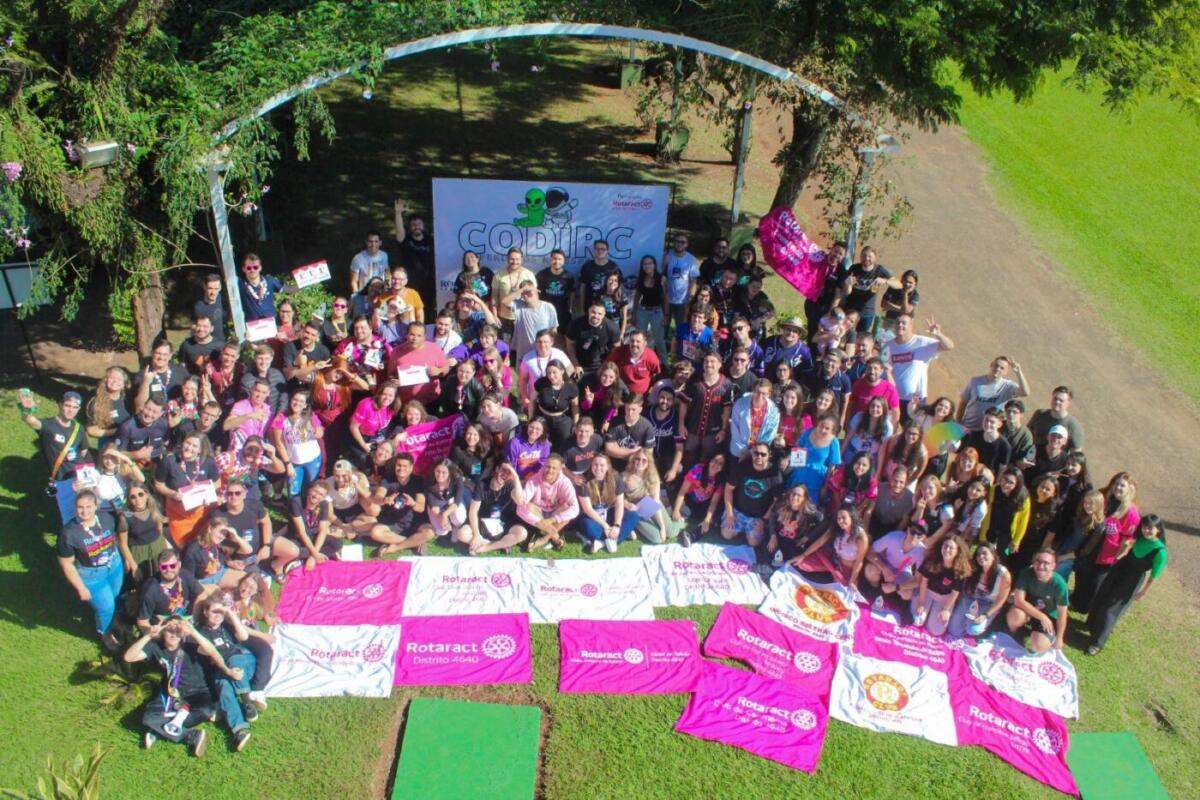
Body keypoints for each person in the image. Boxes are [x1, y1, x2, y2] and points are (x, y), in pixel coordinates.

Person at [124, 617, 227, 756]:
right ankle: (191, 735)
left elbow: (212, 651)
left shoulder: (190, 644)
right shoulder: (155, 646)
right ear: (163, 632)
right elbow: (129, 657)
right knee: (148, 719)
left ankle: (158, 731)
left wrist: (193, 632)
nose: (174, 634)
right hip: (171, 693)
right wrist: (148, 635)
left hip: (198, 692)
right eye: (169, 630)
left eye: (178, 631)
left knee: (206, 711)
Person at [1085, 514, 1167, 655]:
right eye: (1144, 527)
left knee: (1111, 608)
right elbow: (1128, 544)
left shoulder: (1160, 552)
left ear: (1158, 529)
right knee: (1102, 595)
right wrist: (1118, 556)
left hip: (1132, 580)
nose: (1146, 531)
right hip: (1120, 569)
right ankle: (1092, 625)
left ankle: (1097, 644)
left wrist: (1143, 592)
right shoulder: (1140, 537)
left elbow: (1154, 576)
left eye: (1150, 528)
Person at [57, 490, 126, 650]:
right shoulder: (69, 533)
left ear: (96, 506)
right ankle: (105, 633)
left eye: (88, 506)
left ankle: (115, 620)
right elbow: (67, 564)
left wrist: (126, 556)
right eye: (80, 507)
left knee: (115, 597)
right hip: (92, 576)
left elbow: (122, 531)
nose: (84, 511)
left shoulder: (107, 518)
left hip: (114, 565)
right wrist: (81, 588)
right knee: (106, 607)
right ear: (75, 508)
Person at [190, 597, 263, 749]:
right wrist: (228, 672)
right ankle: (239, 731)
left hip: (243, 662)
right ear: (205, 612)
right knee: (223, 686)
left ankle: (246, 701)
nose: (218, 615)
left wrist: (230, 613)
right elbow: (205, 651)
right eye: (214, 611)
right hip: (221, 669)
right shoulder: (199, 632)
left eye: (221, 612)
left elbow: (243, 636)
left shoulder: (227, 626)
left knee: (233, 660)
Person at [20, 389, 93, 522]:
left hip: (80, 476)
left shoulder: (79, 428)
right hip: (62, 478)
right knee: (69, 514)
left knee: (88, 511)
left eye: (75, 407)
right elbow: (30, 420)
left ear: (78, 409)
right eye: (67, 405)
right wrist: (26, 410)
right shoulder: (49, 426)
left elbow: (83, 450)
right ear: (60, 405)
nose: (71, 410)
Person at [1071, 471, 1140, 613]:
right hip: (1090, 545)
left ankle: (1086, 607)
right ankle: (1076, 601)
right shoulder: (1104, 499)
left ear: (1129, 489)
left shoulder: (1131, 513)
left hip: (1107, 554)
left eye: (1122, 485)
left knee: (1095, 582)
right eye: (1116, 484)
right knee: (1082, 573)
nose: (1118, 487)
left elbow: (1128, 539)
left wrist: (1118, 556)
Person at [154, 432, 220, 547]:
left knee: (205, 544)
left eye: (194, 446)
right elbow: (158, 484)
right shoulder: (170, 461)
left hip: (202, 512)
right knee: (184, 546)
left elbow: (217, 483)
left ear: (200, 450)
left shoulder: (208, 462)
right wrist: (172, 494)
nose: (189, 448)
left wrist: (207, 494)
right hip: (179, 514)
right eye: (188, 443)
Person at [881, 314, 954, 414]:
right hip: (892, 397)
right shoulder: (888, 345)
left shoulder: (922, 342)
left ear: (911, 326)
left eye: (904, 323)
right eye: (898, 322)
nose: (900, 325)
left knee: (912, 424)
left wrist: (938, 334)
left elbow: (949, 346)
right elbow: (883, 370)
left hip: (915, 400)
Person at [367, 454, 433, 556]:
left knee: (429, 532)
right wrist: (384, 500)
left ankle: (397, 547)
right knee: (375, 532)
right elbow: (377, 497)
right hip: (394, 521)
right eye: (399, 465)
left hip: (415, 521)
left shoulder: (418, 480)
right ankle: (414, 542)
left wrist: (413, 503)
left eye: (405, 466)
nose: (401, 468)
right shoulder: (388, 479)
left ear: (411, 468)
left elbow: (420, 507)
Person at [1006, 549, 1069, 653]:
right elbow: (1019, 601)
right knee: (1015, 616)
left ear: (1053, 566)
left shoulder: (1060, 584)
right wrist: (1041, 616)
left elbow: (1062, 614)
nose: (1040, 566)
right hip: (1028, 611)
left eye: (1046, 563)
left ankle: (1039, 635)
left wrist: (1059, 638)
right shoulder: (1026, 573)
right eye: (1038, 561)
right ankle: (1013, 634)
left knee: (1039, 646)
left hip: (1048, 617)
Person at [721, 443, 782, 547]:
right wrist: (730, 513)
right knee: (726, 534)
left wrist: (763, 520)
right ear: (752, 453)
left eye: (763, 454)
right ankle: (742, 530)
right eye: (756, 453)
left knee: (754, 543)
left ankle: (746, 532)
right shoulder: (741, 467)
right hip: (738, 510)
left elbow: (776, 501)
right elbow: (728, 489)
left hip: (758, 516)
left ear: (769, 455)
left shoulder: (775, 474)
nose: (759, 457)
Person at [136, 550, 213, 632]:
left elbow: (202, 594)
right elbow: (142, 621)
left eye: (172, 566)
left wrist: (193, 619)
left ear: (179, 565)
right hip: (166, 630)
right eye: (164, 567)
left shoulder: (184, 574)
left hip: (188, 623)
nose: (168, 570)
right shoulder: (150, 589)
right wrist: (155, 633)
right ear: (159, 567)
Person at [577, 454, 639, 554]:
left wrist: (617, 525)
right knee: (586, 525)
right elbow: (588, 510)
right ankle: (623, 534)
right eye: (595, 464)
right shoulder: (583, 480)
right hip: (593, 517)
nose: (598, 468)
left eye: (602, 465)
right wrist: (605, 526)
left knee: (633, 516)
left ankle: (601, 543)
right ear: (591, 465)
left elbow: (619, 503)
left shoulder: (615, 478)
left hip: (608, 512)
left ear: (607, 467)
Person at [275, 480, 342, 574]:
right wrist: (315, 554)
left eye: (321, 494)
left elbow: (322, 530)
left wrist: (313, 557)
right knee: (295, 550)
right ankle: (315, 555)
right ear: (309, 490)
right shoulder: (296, 502)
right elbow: (301, 532)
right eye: (315, 491)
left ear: (324, 497)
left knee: (337, 543)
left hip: (313, 534)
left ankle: (304, 559)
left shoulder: (324, 504)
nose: (316, 496)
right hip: (297, 536)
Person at [948, 541, 1012, 638]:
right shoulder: (974, 568)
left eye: (985, 553)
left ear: (993, 556)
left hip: (988, 604)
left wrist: (985, 615)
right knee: (953, 631)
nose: (981, 556)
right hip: (969, 599)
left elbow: (1001, 600)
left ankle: (977, 627)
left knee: (973, 630)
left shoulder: (1003, 575)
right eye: (978, 554)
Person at [910, 536, 972, 635]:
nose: (947, 550)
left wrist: (946, 609)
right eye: (945, 546)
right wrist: (921, 602)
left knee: (936, 630)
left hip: (944, 598)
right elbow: (924, 582)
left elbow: (955, 592)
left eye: (951, 548)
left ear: (957, 551)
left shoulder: (960, 570)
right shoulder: (932, 560)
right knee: (916, 620)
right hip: (927, 593)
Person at [793, 506, 869, 587]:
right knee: (803, 564)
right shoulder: (837, 527)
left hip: (846, 569)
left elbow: (859, 562)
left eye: (844, 517)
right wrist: (803, 555)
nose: (840, 521)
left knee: (844, 586)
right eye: (838, 518)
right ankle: (832, 572)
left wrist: (852, 580)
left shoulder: (861, 537)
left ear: (852, 517)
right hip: (833, 559)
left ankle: (834, 574)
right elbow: (821, 541)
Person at [517, 454, 580, 551]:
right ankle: (555, 536)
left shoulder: (565, 482)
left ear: (560, 470)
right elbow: (520, 507)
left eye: (554, 468)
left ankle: (544, 539)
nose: (550, 470)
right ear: (544, 466)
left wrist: (551, 520)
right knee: (527, 506)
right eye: (548, 466)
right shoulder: (534, 480)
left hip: (555, 514)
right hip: (539, 514)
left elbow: (576, 508)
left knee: (568, 508)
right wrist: (538, 522)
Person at [463, 462, 528, 555]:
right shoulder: (482, 485)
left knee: (522, 533)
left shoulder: (510, 485)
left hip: (504, 523)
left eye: (509, 473)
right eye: (503, 470)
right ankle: (502, 544)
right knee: (462, 534)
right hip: (485, 522)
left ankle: (485, 548)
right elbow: (473, 512)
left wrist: (516, 477)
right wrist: (476, 535)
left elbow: (519, 501)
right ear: (497, 469)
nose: (505, 474)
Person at [269, 390, 324, 497]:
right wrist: (288, 464)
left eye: (301, 401)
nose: (297, 403)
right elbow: (279, 443)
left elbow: (320, 431)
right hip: (294, 462)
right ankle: (295, 507)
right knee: (293, 491)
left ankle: (306, 505)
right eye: (295, 399)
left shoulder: (310, 415)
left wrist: (318, 432)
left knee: (310, 488)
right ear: (291, 400)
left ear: (305, 405)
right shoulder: (281, 417)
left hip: (313, 459)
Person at [862, 519, 929, 605]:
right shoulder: (893, 537)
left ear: (924, 538)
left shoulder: (921, 552)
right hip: (884, 561)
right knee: (870, 570)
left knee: (907, 594)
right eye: (913, 531)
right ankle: (873, 590)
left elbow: (917, 581)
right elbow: (869, 552)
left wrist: (896, 587)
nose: (915, 536)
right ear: (908, 530)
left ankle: (892, 596)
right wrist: (884, 568)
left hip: (901, 570)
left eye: (919, 535)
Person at [957, 356, 1030, 432]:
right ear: (991, 365)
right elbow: (963, 402)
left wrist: (1019, 372)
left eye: (1002, 368)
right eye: (996, 365)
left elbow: (1025, 392)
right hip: (967, 427)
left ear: (1006, 372)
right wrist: (958, 422)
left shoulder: (1007, 386)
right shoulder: (975, 381)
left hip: (989, 431)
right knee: (952, 437)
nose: (998, 369)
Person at [838, 245, 899, 334]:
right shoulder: (854, 268)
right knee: (843, 332)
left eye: (869, 256)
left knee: (861, 336)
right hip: (851, 309)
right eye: (864, 256)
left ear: (875, 258)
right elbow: (845, 290)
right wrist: (847, 283)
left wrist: (885, 281)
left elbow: (898, 284)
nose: (866, 259)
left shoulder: (879, 270)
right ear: (860, 257)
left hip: (867, 312)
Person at [670, 453, 727, 546]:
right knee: (679, 511)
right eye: (715, 461)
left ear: (723, 468)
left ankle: (692, 536)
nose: (716, 465)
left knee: (714, 515)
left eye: (720, 464)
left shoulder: (720, 480)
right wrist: (676, 510)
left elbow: (713, 502)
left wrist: (707, 519)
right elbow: (682, 491)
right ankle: (676, 510)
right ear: (710, 461)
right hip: (689, 500)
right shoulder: (698, 469)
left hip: (704, 504)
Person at [182, 515, 252, 591]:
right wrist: (206, 576)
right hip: (204, 581)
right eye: (220, 532)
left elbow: (248, 550)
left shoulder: (220, 543)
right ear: (210, 529)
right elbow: (188, 578)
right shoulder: (193, 550)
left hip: (221, 571)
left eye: (224, 534)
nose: (222, 537)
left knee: (247, 583)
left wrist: (236, 537)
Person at [117, 481, 169, 581]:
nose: (138, 499)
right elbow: (123, 544)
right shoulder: (125, 516)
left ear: (146, 495)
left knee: (162, 578)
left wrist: (164, 549)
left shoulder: (154, 507)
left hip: (158, 546)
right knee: (144, 582)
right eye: (133, 497)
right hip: (139, 553)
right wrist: (133, 565)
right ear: (129, 499)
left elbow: (159, 530)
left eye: (140, 494)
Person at [1052, 488, 1105, 584]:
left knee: (1056, 579)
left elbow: (1086, 550)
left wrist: (1063, 557)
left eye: (1091, 503)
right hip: (1061, 550)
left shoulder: (1099, 527)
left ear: (1098, 505)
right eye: (1085, 502)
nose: (1087, 506)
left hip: (1071, 558)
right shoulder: (1079, 517)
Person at [764, 483, 826, 565]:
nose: (795, 497)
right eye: (793, 494)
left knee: (794, 563)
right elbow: (772, 515)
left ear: (804, 498)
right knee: (767, 556)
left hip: (795, 543)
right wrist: (773, 535)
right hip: (779, 539)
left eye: (799, 495)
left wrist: (808, 537)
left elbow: (823, 523)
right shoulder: (782, 504)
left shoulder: (809, 511)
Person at [393, 200, 436, 311]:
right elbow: (399, 231)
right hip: (410, 284)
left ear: (423, 226)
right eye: (413, 225)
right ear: (409, 227)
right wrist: (398, 213)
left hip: (428, 285)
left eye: (419, 224)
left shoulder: (431, 240)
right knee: (409, 312)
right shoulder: (405, 240)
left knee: (427, 312)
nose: (416, 227)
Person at [346, 381, 397, 470]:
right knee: (365, 461)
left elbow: (382, 427)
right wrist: (364, 446)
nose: (387, 398)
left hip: (375, 435)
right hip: (358, 436)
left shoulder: (392, 407)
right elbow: (353, 427)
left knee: (382, 458)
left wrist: (379, 441)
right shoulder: (366, 405)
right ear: (379, 394)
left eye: (390, 395)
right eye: (384, 394)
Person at [788, 414, 842, 499]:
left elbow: (832, 467)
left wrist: (825, 486)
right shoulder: (807, 432)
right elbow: (797, 450)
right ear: (818, 423)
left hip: (817, 479)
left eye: (827, 428)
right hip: (799, 474)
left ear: (832, 429)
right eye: (821, 426)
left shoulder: (834, 442)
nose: (823, 430)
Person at [981, 466, 1031, 558]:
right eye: (1005, 479)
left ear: (1017, 485)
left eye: (1011, 483)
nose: (1006, 484)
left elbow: (1023, 522)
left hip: (1007, 536)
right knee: (983, 555)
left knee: (1001, 558)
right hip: (990, 530)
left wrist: (1016, 541)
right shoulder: (994, 490)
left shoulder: (1023, 499)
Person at [518, 329, 572, 411]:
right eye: (539, 342)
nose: (542, 345)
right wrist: (525, 398)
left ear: (551, 342)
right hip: (535, 400)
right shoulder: (528, 358)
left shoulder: (559, 355)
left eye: (545, 342)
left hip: (557, 400)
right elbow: (522, 380)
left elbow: (570, 371)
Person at [531, 361, 579, 452]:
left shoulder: (571, 387)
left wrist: (575, 424)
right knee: (540, 442)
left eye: (554, 372)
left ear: (562, 371)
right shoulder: (541, 383)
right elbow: (532, 401)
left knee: (563, 444)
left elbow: (575, 407)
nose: (551, 376)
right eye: (549, 373)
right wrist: (531, 419)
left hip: (562, 419)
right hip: (543, 417)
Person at [491, 248, 537, 341]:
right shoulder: (499, 275)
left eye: (517, 259)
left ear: (522, 259)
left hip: (523, 318)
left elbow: (534, 296)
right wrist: (494, 316)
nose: (514, 262)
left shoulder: (529, 274)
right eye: (512, 259)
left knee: (522, 346)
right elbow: (494, 296)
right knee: (505, 345)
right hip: (504, 319)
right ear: (507, 259)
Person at [566, 301, 621, 378]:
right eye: (593, 312)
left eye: (599, 314)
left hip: (602, 363)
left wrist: (606, 366)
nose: (596, 316)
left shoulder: (612, 328)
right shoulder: (576, 324)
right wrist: (576, 365)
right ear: (588, 311)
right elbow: (570, 346)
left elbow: (616, 349)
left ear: (604, 314)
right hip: (580, 362)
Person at [729, 379, 780, 460]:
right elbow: (734, 429)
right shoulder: (740, 404)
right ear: (753, 391)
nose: (760, 396)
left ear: (769, 394)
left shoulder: (774, 411)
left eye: (764, 393)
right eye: (757, 392)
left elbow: (769, 435)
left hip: (759, 455)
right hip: (739, 452)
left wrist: (753, 451)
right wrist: (743, 450)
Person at [511, 281, 559, 365]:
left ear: (536, 291)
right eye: (523, 293)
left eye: (529, 292)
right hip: (524, 351)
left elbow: (553, 329)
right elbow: (504, 302)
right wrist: (521, 290)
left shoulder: (548, 307)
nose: (526, 295)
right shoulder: (519, 306)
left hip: (543, 350)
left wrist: (549, 345)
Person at [662, 233, 699, 341]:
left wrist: (690, 298)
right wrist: (664, 263)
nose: (679, 244)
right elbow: (660, 274)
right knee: (664, 326)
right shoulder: (667, 255)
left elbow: (693, 280)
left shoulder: (691, 259)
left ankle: (678, 347)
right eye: (677, 241)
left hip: (682, 300)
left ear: (686, 244)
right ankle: (662, 347)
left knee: (681, 328)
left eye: (682, 242)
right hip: (667, 298)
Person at [424, 460, 471, 543]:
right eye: (438, 471)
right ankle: (448, 525)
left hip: (452, 503)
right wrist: (441, 518)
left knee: (459, 518)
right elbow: (433, 506)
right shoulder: (429, 480)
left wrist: (444, 515)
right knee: (441, 531)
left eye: (444, 472)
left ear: (449, 472)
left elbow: (456, 502)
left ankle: (455, 526)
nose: (440, 475)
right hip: (438, 504)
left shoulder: (457, 479)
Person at [632, 254, 668, 363]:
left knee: (659, 340)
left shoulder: (662, 279)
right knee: (640, 339)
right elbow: (637, 297)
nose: (647, 266)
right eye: (645, 264)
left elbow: (666, 297)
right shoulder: (641, 279)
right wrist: (634, 314)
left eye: (650, 263)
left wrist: (666, 315)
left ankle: (665, 364)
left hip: (657, 312)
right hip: (642, 311)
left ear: (654, 265)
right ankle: (643, 362)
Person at [605, 329, 662, 398]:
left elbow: (657, 374)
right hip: (620, 393)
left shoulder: (651, 357)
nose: (634, 344)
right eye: (632, 341)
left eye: (638, 341)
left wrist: (652, 388)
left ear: (644, 343)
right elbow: (607, 366)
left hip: (642, 397)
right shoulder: (619, 352)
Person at [133, 339, 186, 412]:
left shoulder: (180, 371)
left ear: (170, 356)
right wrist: (146, 383)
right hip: (153, 415)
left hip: (178, 412)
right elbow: (139, 406)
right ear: (152, 353)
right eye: (158, 353)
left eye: (165, 354)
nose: (161, 357)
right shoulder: (142, 375)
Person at [1028, 385, 1085, 450]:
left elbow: (1076, 451)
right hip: (1033, 454)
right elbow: (1027, 433)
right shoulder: (1040, 414)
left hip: (1056, 456)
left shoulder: (1073, 425)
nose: (1057, 402)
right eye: (1055, 398)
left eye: (1061, 400)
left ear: (1068, 403)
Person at [824, 452, 878, 520]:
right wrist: (840, 509)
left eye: (864, 465)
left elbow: (868, 499)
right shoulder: (842, 473)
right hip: (837, 507)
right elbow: (835, 491)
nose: (860, 467)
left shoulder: (872, 482)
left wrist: (854, 513)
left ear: (869, 467)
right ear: (853, 462)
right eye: (858, 463)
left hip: (856, 511)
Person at [237, 253, 286, 324]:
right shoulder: (240, 283)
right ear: (243, 269)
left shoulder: (270, 281)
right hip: (252, 326)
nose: (252, 270)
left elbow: (287, 289)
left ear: (260, 268)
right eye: (248, 268)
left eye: (255, 267)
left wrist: (301, 283)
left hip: (271, 324)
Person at [536, 248, 576, 329]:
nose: (557, 262)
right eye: (554, 259)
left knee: (562, 333)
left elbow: (572, 293)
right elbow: (536, 291)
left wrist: (570, 308)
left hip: (562, 311)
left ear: (564, 261)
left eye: (560, 259)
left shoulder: (568, 276)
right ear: (550, 259)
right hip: (545, 311)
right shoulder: (542, 274)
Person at [578, 239, 619, 312]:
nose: (600, 251)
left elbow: (619, 287)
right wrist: (581, 307)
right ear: (594, 250)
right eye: (598, 249)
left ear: (607, 251)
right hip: (591, 306)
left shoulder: (613, 267)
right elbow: (582, 288)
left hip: (608, 307)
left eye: (603, 249)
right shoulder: (587, 267)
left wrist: (620, 305)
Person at [349, 230, 389, 295]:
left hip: (381, 293)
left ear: (380, 243)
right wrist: (357, 297)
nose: (373, 244)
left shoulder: (384, 256)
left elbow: (387, 273)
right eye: (371, 241)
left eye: (376, 241)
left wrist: (387, 289)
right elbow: (354, 281)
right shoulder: (358, 258)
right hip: (364, 294)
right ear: (366, 242)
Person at [596, 268, 630, 342]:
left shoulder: (622, 295)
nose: (613, 282)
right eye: (610, 279)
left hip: (616, 328)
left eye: (615, 280)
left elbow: (624, 316)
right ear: (606, 281)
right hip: (602, 328)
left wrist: (622, 333)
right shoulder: (599, 294)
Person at [194, 272, 227, 343]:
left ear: (220, 288)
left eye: (216, 289)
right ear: (204, 287)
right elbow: (197, 330)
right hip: (208, 345)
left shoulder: (220, 298)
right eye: (210, 288)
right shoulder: (199, 308)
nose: (213, 292)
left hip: (222, 342)